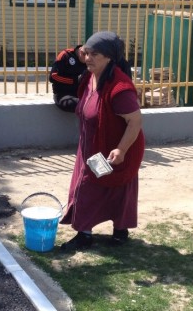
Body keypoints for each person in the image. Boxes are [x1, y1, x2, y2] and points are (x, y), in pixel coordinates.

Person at [59, 31, 145, 251]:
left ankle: (120, 230)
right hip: (92, 147)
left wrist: (121, 149)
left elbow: (135, 122)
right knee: (88, 187)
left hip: (115, 149)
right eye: (86, 53)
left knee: (118, 188)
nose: (88, 58)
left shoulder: (120, 88)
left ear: (109, 57)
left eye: (94, 54)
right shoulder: (90, 78)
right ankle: (85, 233)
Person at [49, 44, 86, 112]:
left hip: (81, 93)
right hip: (63, 93)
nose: (88, 59)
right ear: (80, 51)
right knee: (76, 104)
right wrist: (75, 80)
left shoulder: (91, 60)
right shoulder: (65, 55)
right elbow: (53, 76)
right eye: (85, 55)